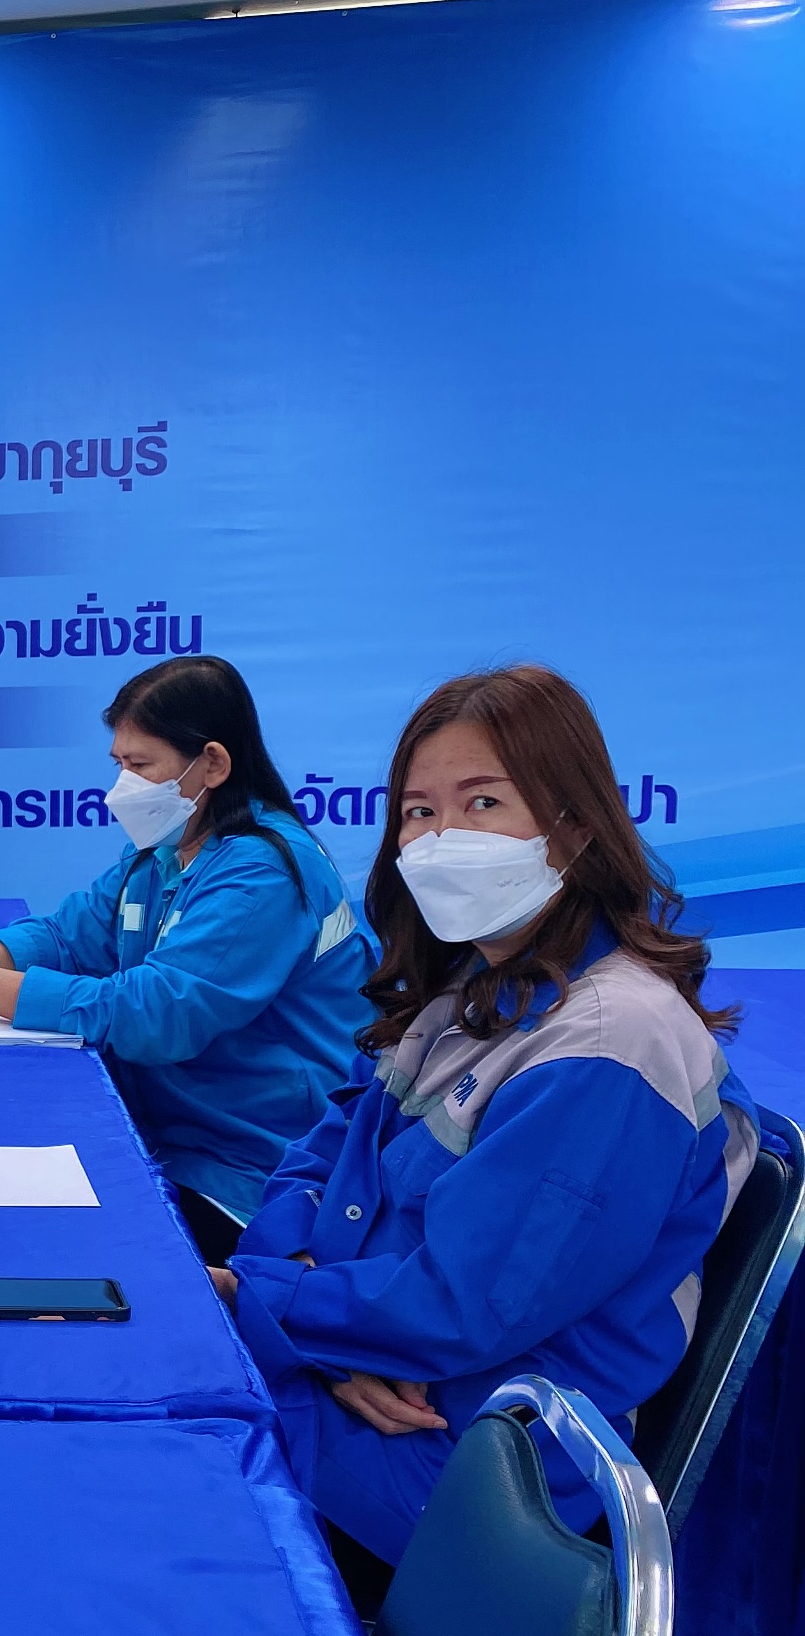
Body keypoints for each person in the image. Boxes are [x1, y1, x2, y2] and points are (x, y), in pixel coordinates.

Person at [218, 665, 757, 1567]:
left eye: (482, 804)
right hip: (367, 1370)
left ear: (575, 827)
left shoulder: (610, 1044)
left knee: (146, 1442)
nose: (440, 839)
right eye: (418, 812)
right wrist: (310, 1319)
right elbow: (321, 1153)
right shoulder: (471, 986)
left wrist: (271, 1304)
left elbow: (461, 1310)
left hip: (471, 1463)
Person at [0, 656, 372, 1260]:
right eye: (119, 765)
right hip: (164, 1124)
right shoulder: (168, 847)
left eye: (141, 765)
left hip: (251, 1163)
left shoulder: (263, 871)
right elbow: (67, 937)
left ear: (213, 763)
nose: (122, 786)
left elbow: (156, 1014)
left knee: (37, 1246)